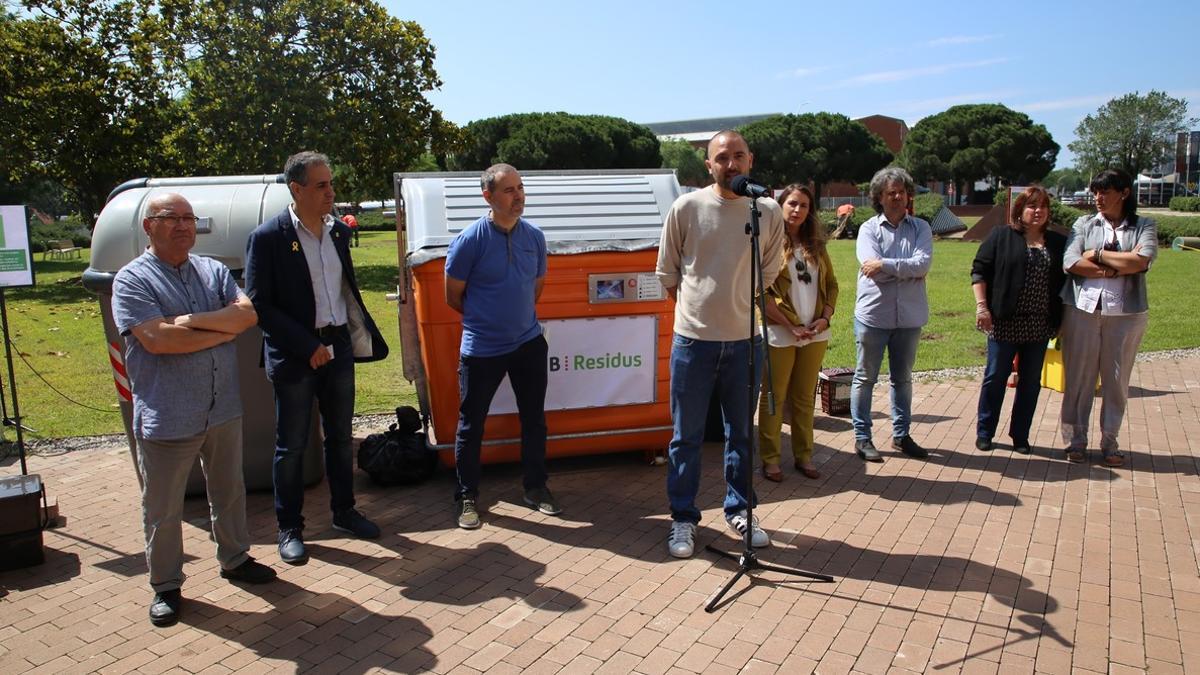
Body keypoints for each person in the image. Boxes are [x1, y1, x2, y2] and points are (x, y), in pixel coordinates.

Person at [112, 192, 276, 627]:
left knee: (229, 490)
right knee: (163, 507)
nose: (184, 226)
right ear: (149, 226)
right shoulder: (132, 280)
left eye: (190, 218)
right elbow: (157, 341)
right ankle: (166, 585)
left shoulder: (213, 270)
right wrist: (215, 329)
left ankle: (235, 558)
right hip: (168, 412)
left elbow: (246, 316)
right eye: (172, 218)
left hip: (222, 405)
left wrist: (186, 321)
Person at [245, 151, 389, 565]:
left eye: (330, 183)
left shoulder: (339, 233)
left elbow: (344, 290)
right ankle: (289, 527)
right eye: (322, 185)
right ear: (297, 189)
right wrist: (306, 346)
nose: (331, 191)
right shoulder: (268, 238)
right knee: (291, 446)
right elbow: (261, 305)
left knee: (341, 438)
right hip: (295, 356)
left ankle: (344, 512)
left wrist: (338, 340)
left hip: (338, 347)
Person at [655, 130, 786, 558]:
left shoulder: (767, 211)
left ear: (751, 161)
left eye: (740, 156)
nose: (732, 164)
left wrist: (733, 306)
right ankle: (682, 519)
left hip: (746, 342)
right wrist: (699, 312)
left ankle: (740, 510)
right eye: (723, 158)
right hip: (694, 343)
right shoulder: (687, 207)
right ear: (708, 165)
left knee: (739, 436)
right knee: (685, 438)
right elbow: (667, 273)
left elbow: (769, 270)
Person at [444, 163, 560, 530]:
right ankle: (466, 497)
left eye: (520, 188)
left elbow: (536, 287)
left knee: (534, 420)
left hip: (528, 343)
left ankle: (536, 487)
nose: (518, 196)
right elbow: (453, 296)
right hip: (481, 349)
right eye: (509, 190)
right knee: (471, 425)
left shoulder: (535, 237)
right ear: (488, 197)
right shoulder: (469, 241)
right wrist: (488, 321)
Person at [1059, 168, 1157, 466]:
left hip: (1125, 314)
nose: (1098, 198)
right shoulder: (1083, 223)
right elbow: (1072, 262)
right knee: (1078, 378)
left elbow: (1141, 261)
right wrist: (1118, 266)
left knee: (1116, 381)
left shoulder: (1144, 225)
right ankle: (1075, 440)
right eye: (1096, 192)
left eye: (1105, 192)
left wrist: (1098, 255)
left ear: (1124, 193)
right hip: (1082, 310)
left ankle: (1109, 441)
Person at [970, 186, 1066, 454]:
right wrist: (982, 308)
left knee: (1030, 382)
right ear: (1020, 210)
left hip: (1039, 324)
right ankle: (985, 432)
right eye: (1032, 206)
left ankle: (1020, 435)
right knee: (995, 378)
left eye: (1043, 206)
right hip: (1004, 321)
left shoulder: (1057, 242)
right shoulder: (1002, 236)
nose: (1038, 211)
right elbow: (979, 271)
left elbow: (1066, 282)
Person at [850, 167, 933, 462]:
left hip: (909, 319)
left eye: (901, 192)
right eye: (890, 193)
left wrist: (885, 266)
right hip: (873, 316)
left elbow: (922, 265)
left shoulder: (921, 228)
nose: (897, 197)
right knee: (865, 378)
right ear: (879, 198)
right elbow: (868, 266)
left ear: (908, 195)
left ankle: (902, 436)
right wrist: (905, 270)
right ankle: (862, 438)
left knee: (903, 379)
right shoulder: (868, 229)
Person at [758, 184, 838, 481]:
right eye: (792, 203)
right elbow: (760, 292)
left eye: (804, 205)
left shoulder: (816, 245)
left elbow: (832, 286)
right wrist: (790, 325)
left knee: (805, 398)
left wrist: (824, 319)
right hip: (780, 333)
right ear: (780, 205)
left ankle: (804, 456)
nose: (797, 210)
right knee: (774, 397)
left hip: (814, 334)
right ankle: (770, 458)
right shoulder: (767, 243)